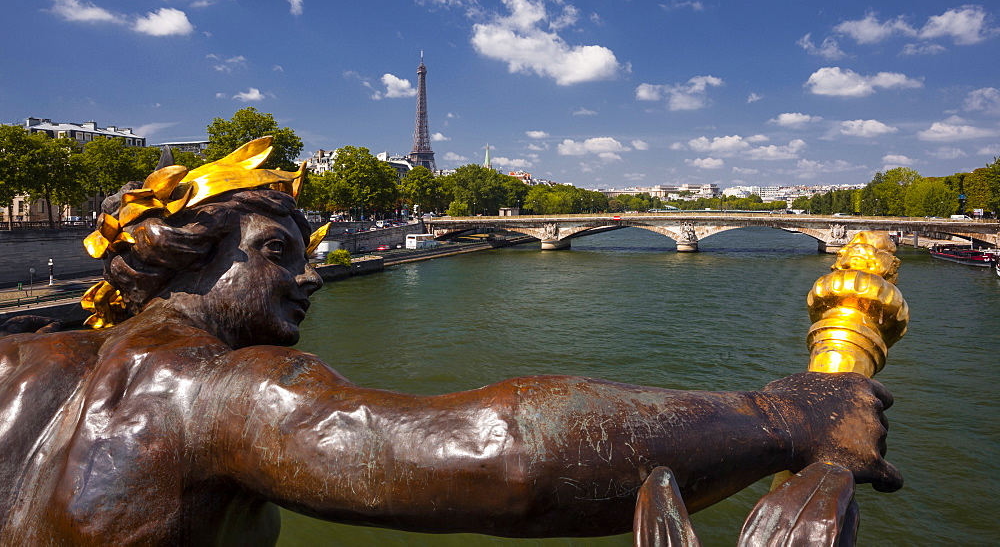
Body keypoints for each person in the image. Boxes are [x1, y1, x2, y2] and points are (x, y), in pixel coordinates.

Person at [0, 140, 901, 545]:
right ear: (184, 256)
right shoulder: (218, 389)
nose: (306, 277)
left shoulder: (22, 366)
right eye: (277, 253)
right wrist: (784, 416)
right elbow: (505, 458)